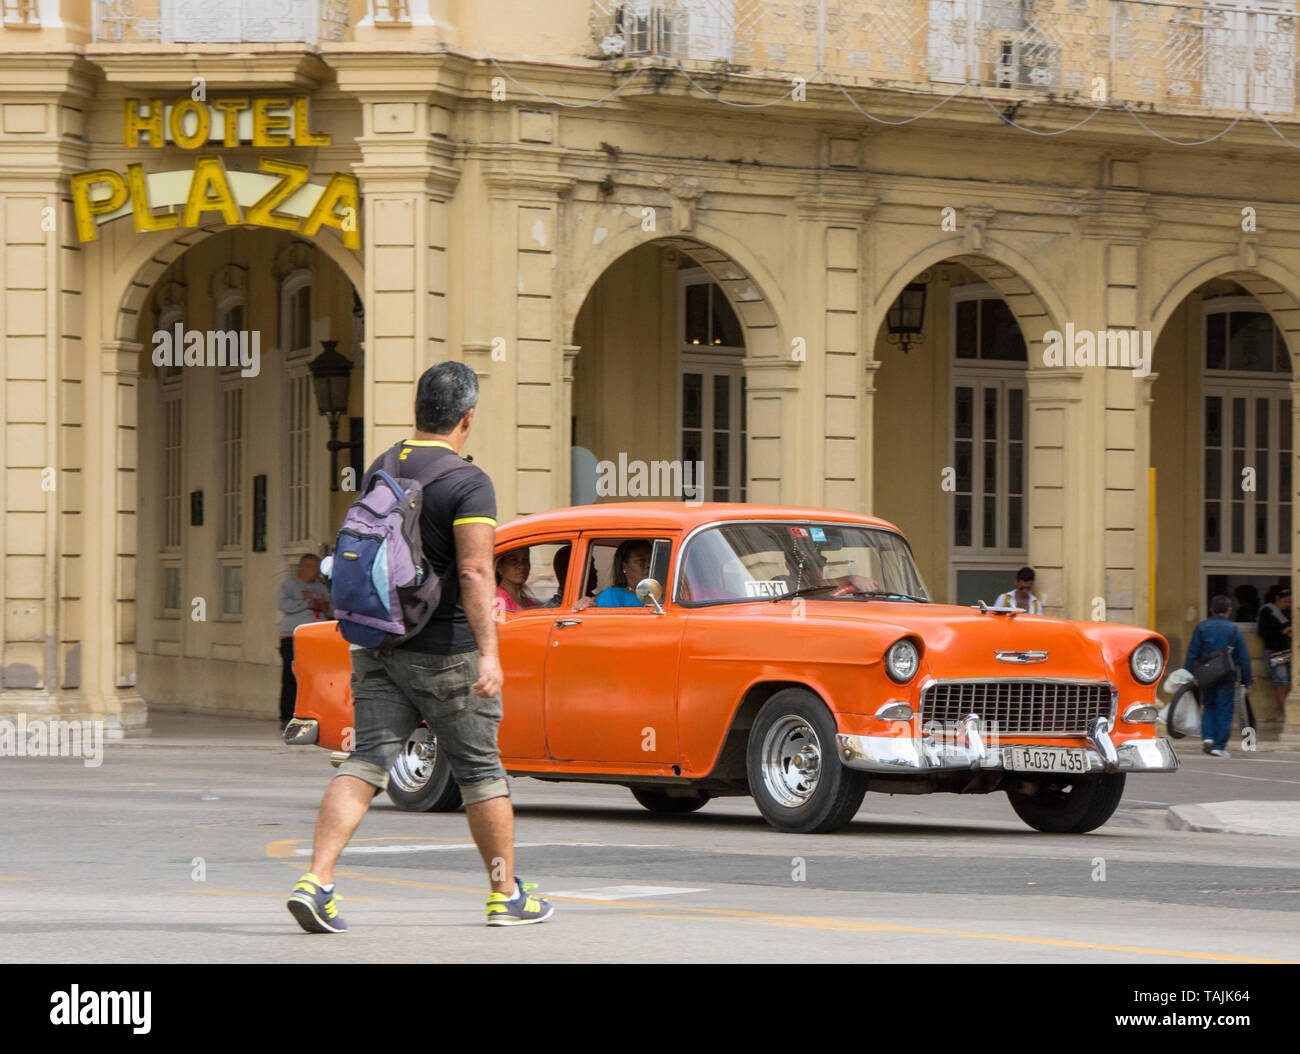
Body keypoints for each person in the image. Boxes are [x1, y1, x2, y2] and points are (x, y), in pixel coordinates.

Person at [287, 361, 553, 932]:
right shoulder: (468, 481)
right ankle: (505, 894)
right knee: (482, 772)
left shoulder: (383, 465)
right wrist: (490, 654)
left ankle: (318, 880)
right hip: (447, 650)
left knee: (365, 762)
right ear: (468, 417)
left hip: (379, 642)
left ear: (417, 410)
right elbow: (478, 572)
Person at [1184, 594, 1253, 759]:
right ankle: (1219, 746)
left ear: (1211, 610)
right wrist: (1246, 680)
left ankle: (1207, 737)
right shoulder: (1234, 630)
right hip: (1227, 675)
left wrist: (1188, 673)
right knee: (1225, 709)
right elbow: (1243, 658)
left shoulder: (1201, 627)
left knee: (1208, 706)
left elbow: (1192, 652)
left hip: (1206, 674)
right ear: (1229, 611)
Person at [277, 553, 331, 727]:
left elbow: (334, 608)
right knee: (292, 676)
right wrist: (307, 604)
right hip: (293, 636)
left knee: (317, 676)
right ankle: (288, 713)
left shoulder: (322, 588)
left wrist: (326, 608)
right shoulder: (290, 585)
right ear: (304, 567)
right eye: (314, 567)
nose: (317, 572)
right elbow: (283, 604)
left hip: (318, 637)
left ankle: (313, 711)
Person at [1258, 585, 1292, 715]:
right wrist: (1282, 631)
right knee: (1282, 684)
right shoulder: (1267, 610)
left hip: (1286, 651)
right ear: (1277, 598)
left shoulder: (1287, 612)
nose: (1287, 604)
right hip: (1275, 652)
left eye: (1289, 602)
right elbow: (1263, 632)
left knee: (1289, 685)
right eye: (1285, 601)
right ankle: (1285, 714)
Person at [595, 539, 652, 607]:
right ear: (624, 567)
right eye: (641, 561)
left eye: (651, 560)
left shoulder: (663, 596)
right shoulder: (612, 595)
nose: (649, 565)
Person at [495, 548, 537, 612]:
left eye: (525, 559)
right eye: (513, 560)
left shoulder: (529, 602)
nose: (522, 566)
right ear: (499, 566)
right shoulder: (499, 600)